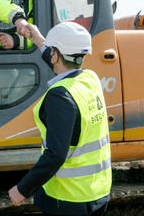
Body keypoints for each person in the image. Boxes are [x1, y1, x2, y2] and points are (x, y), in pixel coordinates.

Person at [8, 22, 111, 215]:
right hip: (97, 191)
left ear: (55, 55)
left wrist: (22, 188)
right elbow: (61, 61)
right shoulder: (91, 79)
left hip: (68, 198)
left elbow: (56, 154)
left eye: (53, 53)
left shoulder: (59, 96)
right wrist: (37, 39)